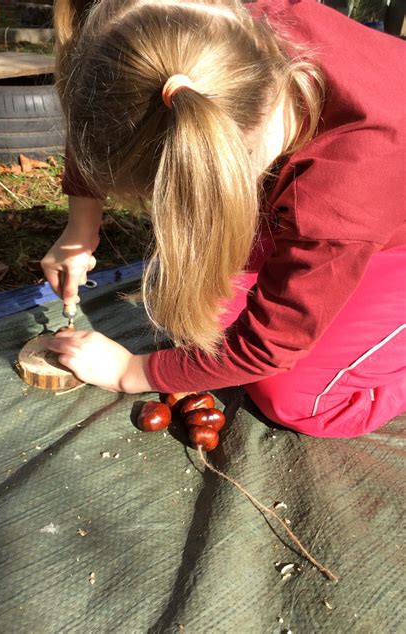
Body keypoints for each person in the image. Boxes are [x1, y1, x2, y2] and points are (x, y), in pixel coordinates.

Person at [42, 0, 405, 438]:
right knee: (200, 321)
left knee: (295, 398)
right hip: (340, 203)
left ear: (219, 165)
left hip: (384, 215)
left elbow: (269, 346)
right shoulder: (204, 26)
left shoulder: (339, 195)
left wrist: (132, 372)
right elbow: (116, 89)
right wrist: (81, 229)